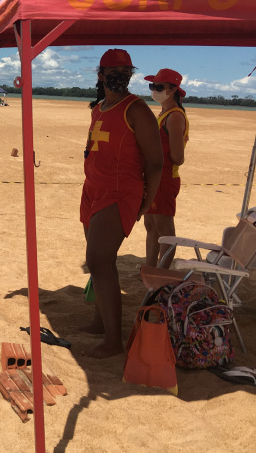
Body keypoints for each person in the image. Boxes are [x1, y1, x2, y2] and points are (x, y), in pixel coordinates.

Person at [79, 49, 163, 358]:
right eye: (113, 71)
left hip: (119, 192)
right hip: (93, 190)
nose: (120, 75)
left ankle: (113, 341)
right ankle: (101, 322)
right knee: (99, 262)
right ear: (100, 75)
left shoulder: (137, 110)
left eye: (125, 70)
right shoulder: (99, 107)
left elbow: (155, 163)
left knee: (100, 259)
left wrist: (146, 203)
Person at [143, 68, 189, 268]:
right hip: (154, 177)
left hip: (165, 179)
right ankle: (150, 267)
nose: (154, 90)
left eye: (159, 87)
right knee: (151, 226)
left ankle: (162, 273)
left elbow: (178, 158)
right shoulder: (164, 113)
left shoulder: (175, 116)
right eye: (152, 86)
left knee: (164, 229)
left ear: (172, 90)